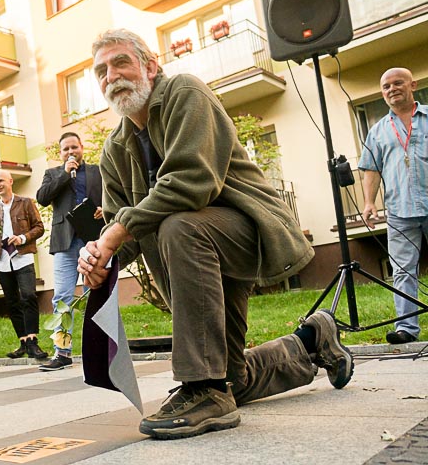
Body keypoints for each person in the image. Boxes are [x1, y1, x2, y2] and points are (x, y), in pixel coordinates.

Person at [77, 29, 353, 439]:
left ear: (150, 67)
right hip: (196, 255)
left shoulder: (184, 93)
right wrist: (101, 257)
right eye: (101, 71)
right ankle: (311, 340)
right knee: (233, 378)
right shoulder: (114, 149)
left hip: (243, 231)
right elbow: (123, 226)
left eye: (121, 63)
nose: (111, 76)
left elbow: (193, 181)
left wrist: (115, 233)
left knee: (179, 223)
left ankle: (203, 387)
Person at [360, 67, 428, 345]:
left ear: (413, 85)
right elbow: (371, 170)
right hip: (399, 212)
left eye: (398, 83)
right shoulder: (377, 131)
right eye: (386, 86)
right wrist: (369, 202)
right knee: (402, 270)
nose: (391, 89)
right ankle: (406, 329)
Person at [36, 132, 103, 371]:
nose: (71, 152)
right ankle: (62, 352)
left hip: (92, 239)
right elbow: (42, 198)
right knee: (62, 297)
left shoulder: (97, 171)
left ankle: (98, 349)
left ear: (81, 147)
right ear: (60, 152)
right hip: (65, 243)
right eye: (66, 149)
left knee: (94, 295)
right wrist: (65, 174)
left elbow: (111, 195)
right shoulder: (53, 174)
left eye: (74, 147)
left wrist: (105, 208)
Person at [0, 170, 48, 360]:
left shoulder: (26, 203)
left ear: (10, 181)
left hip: (23, 257)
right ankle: (23, 342)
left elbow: (39, 227)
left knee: (28, 296)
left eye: (1, 181)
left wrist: (23, 238)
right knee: (12, 302)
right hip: (2, 261)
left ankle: (33, 342)